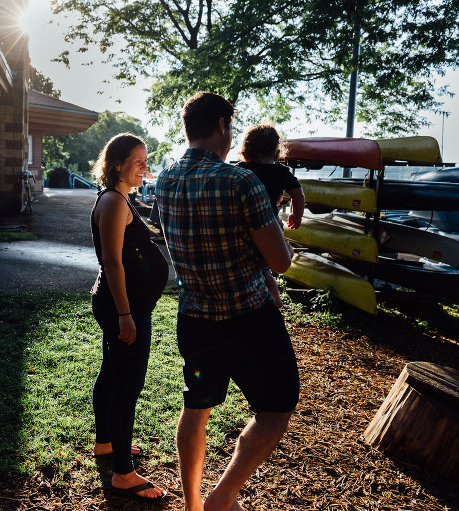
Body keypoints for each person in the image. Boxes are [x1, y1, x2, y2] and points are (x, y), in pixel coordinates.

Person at [155, 92, 300, 511]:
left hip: (195, 319)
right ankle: (223, 496)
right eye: (231, 126)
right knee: (275, 410)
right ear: (221, 124)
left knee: (197, 407)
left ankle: (193, 504)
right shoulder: (242, 182)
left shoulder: (165, 178)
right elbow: (281, 261)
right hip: (248, 320)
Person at [90, 133, 170, 502]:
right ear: (119, 163)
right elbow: (111, 261)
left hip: (127, 306)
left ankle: (106, 444)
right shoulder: (112, 200)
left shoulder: (121, 199)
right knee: (128, 387)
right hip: (124, 308)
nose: (145, 167)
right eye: (139, 160)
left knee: (111, 375)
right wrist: (125, 314)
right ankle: (123, 474)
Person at [237, 123, 306, 309]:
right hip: (272, 223)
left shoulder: (241, 169)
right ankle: (276, 300)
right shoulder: (281, 171)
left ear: (244, 152)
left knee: (259, 269)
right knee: (266, 270)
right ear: (277, 154)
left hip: (243, 224)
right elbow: (298, 194)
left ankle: (273, 298)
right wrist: (296, 215)